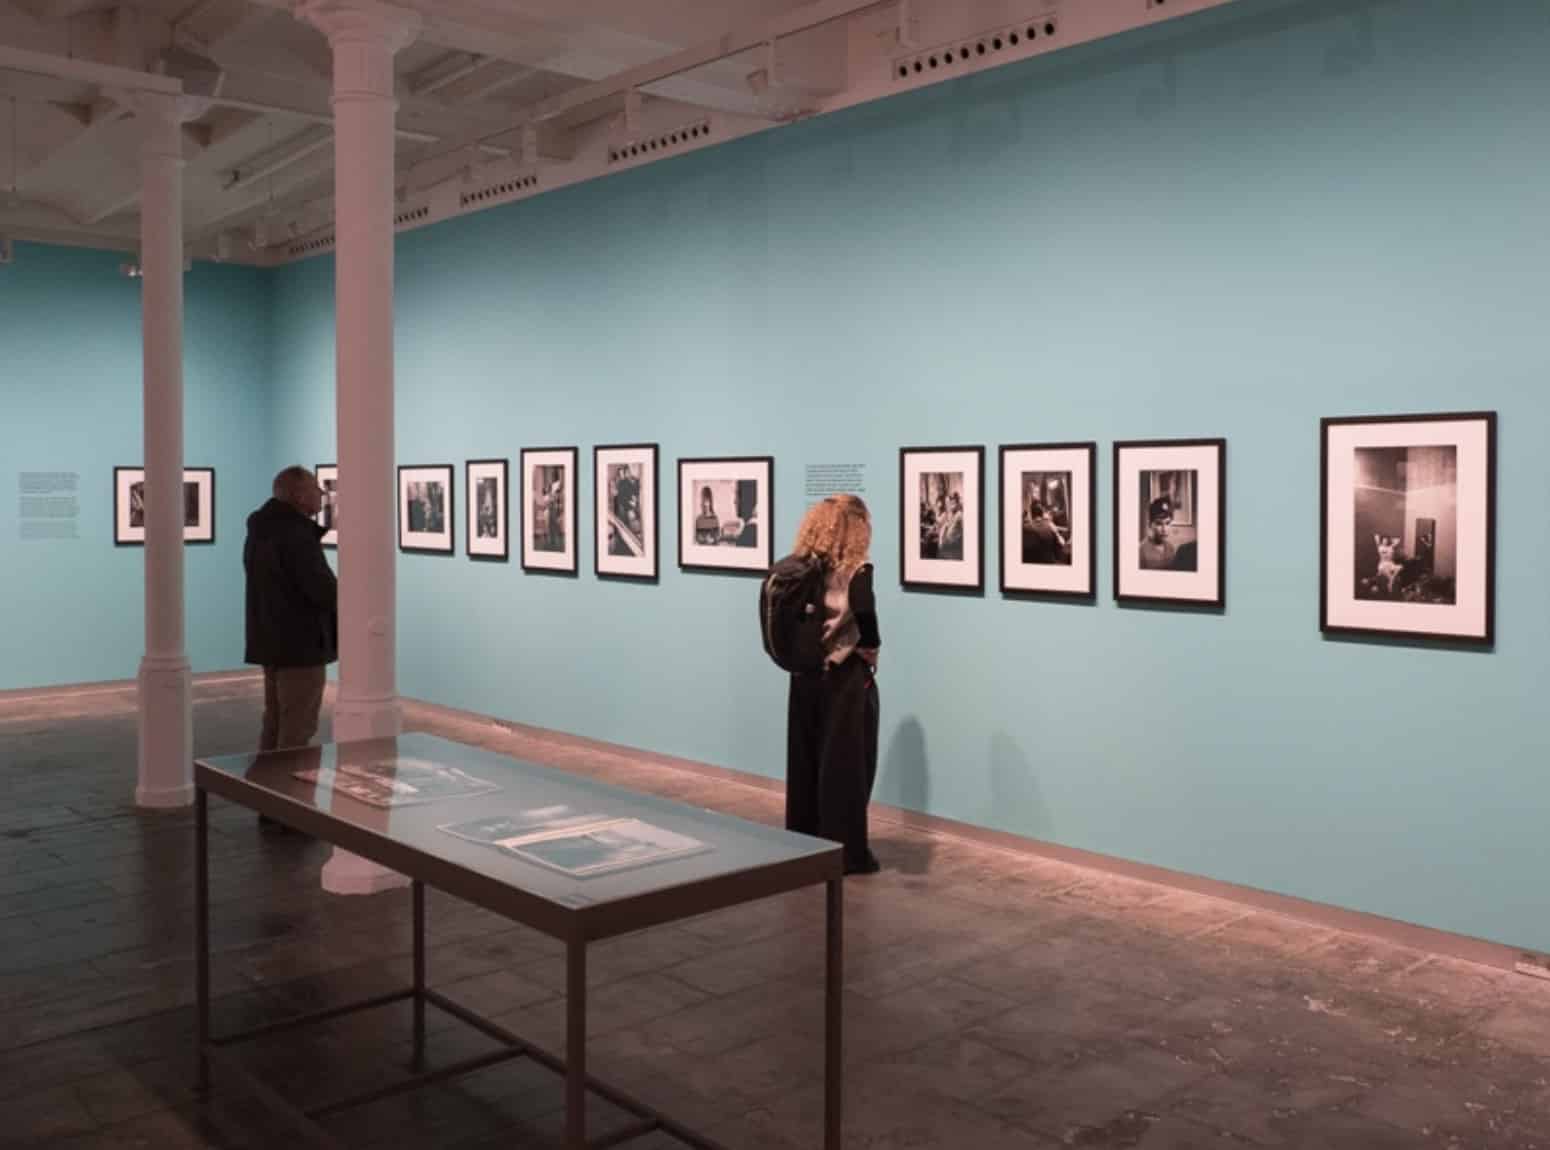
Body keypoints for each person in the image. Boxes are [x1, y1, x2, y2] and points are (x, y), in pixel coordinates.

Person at [785, 494, 882, 876]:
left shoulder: (802, 569)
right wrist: (872, 649)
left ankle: (803, 843)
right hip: (844, 674)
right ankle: (845, 852)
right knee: (846, 764)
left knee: (805, 759)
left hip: (805, 672)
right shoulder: (856, 569)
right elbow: (866, 615)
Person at [244, 466, 337, 785]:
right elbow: (320, 590)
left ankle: (266, 799)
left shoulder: (262, 530)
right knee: (297, 729)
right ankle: (288, 808)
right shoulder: (296, 535)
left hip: (272, 641)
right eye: (315, 488)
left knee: (274, 724)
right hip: (301, 645)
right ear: (298, 495)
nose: (321, 495)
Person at [1138, 496, 1177, 569]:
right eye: (1159, 524)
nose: (1164, 529)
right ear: (1150, 524)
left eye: (1167, 523)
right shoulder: (1141, 551)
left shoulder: (1171, 548)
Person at [1022, 499, 1065, 565]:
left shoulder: (1024, 528)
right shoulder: (1050, 525)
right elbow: (1062, 543)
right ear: (1042, 514)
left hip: (1029, 563)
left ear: (1031, 515)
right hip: (1048, 562)